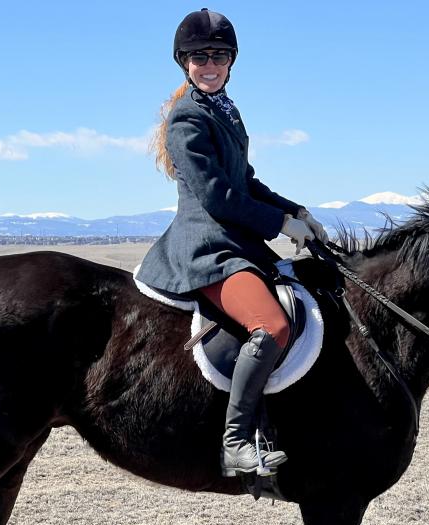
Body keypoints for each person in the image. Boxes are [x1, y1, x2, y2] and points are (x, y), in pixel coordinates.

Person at [136, 8, 329, 477]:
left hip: (237, 241)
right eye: (199, 56)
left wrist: (296, 211)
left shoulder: (224, 110)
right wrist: (280, 225)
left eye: (218, 55)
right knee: (272, 326)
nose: (209, 64)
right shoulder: (187, 117)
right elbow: (218, 196)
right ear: (184, 62)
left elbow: (245, 181)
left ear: (231, 60)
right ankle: (237, 441)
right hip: (206, 247)